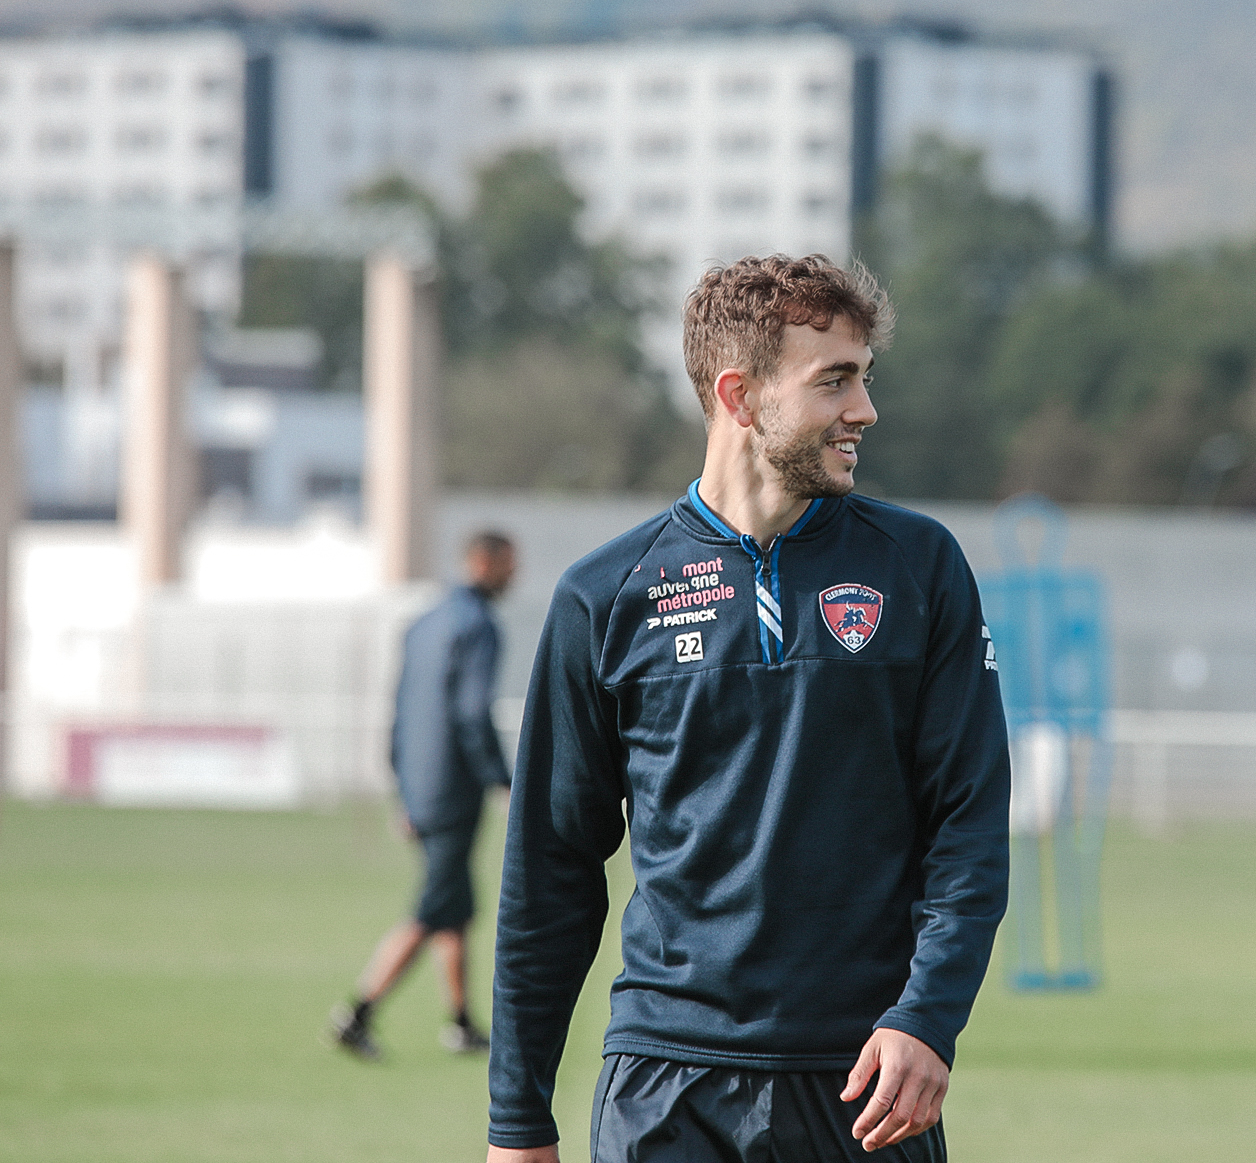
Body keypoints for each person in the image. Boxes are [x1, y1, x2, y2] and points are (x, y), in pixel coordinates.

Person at [487, 254, 1010, 1162]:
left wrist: (928, 1019)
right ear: (739, 396)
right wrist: (517, 1120)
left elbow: (968, 825)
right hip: (665, 1086)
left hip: (865, 1085)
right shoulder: (605, 597)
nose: (865, 411)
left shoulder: (920, 567)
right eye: (834, 382)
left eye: (865, 379)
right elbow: (551, 874)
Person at [329, 530, 518, 1061]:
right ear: (485, 563)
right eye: (509, 564)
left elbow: (399, 712)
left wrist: (402, 790)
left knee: (454, 903)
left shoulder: (423, 623)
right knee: (435, 906)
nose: (514, 576)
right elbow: (471, 713)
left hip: (420, 789)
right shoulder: (478, 626)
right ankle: (357, 1013)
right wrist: (501, 779)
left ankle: (460, 1023)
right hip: (453, 791)